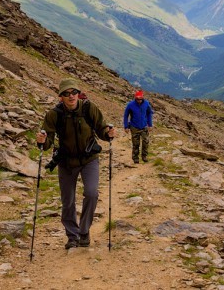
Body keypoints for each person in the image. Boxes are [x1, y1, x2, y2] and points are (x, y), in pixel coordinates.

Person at [36, 78, 116, 249]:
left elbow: (100, 127)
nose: (71, 96)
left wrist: (108, 133)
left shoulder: (88, 108)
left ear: (78, 94)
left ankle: (84, 231)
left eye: (74, 92)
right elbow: (48, 139)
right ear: (60, 97)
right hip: (66, 161)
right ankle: (72, 236)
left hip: (89, 160)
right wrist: (42, 141)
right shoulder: (54, 114)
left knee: (92, 193)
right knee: (68, 200)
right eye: (66, 93)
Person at [123, 89, 154, 164]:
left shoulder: (146, 103)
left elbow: (149, 113)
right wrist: (126, 126)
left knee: (145, 142)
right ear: (135, 98)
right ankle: (135, 158)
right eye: (137, 99)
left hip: (144, 126)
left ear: (143, 98)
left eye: (140, 99)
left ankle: (144, 156)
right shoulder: (130, 105)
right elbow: (126, 115)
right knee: (136, 143)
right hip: (134, 127)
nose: (139, 101)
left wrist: (150, 125)